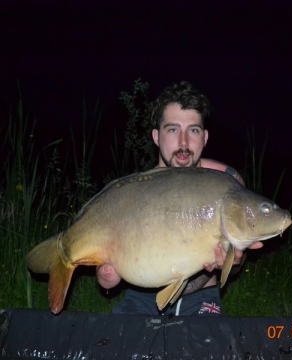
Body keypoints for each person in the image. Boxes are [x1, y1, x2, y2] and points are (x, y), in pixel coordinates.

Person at [97, 81, 263, 316]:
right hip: (142, 296)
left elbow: (237, 262)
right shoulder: (133, 192)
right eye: (173, 130)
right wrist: (106, 279)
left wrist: (233, 262)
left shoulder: (228, 182)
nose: (184, 143)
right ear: (156, 136)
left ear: (205, 137)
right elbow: (105, 279)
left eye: (193, 130)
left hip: (202, 297)